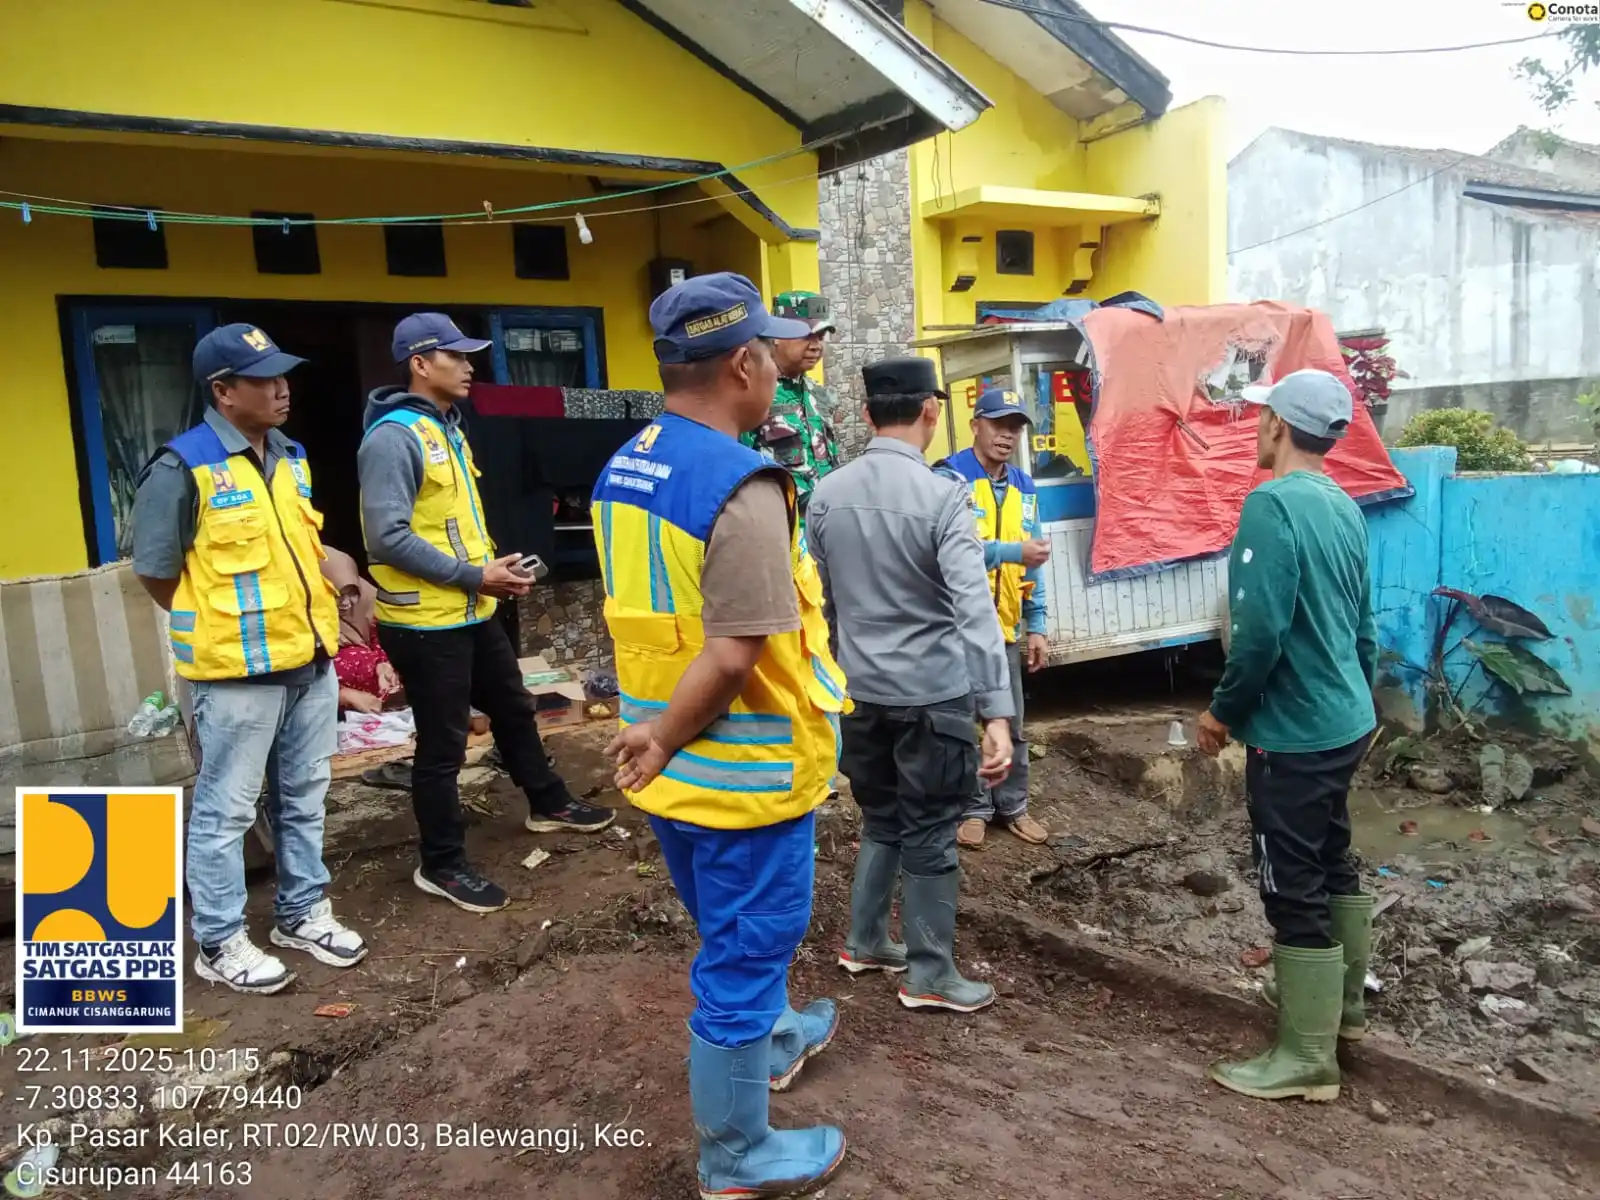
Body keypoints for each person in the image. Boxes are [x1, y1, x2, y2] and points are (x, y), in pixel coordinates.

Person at [596, 273, 849, 1198]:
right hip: (740, 777)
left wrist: (655, 738)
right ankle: (738, 1155)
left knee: (736, 936)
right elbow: (736, 652)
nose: (782, 364)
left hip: (674, 774)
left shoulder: (628, 461)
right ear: (744, 362)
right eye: (772, 350)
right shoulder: (743, 485)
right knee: (743, 955)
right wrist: (665, 733)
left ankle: (778, 1038)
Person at [131, 324, 367, 995]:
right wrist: (217, 630)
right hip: (235, 677)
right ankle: (221, 940)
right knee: (226, 811)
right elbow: (155, 572)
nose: (282, 388)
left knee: (304, 800)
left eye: (283, 375)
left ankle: (301, 914)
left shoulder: (290, 454)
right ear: (223, 391)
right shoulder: (182, 467)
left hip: (309, 662)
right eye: (263, 379)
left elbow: (307, 552)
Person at [358, 313, 613, 916]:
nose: (471, 365)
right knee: (443, 746)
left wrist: (493, 572)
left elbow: (446, 527)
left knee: (514, 707)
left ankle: (547, 801)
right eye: (456, 355)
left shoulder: (446, 427)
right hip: (424, 624)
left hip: (470, 609)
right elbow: (386, 537)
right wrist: (477, 575)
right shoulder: (394, 438)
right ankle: (441, 863)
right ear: (421, 364)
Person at [807, 356, 1014, 1014]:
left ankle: (865, 941)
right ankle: (930, 975)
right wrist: (998, 712)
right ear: (932, 411)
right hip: (933, 699)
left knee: (883, 819)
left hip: (859, 694)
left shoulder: (825, 495)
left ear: (867, 416)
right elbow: (974, 611)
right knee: (929, 830)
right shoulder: (943, 497)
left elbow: (826, 602)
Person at [1196, 368, 1379, 1104]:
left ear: (1275, 423)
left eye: (1259, 414)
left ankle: (1307, 1059)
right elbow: (1363, 629)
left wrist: (1222, 713)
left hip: (1295, 735)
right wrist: (1356, 704)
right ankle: (1345, 1015)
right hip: (1346, 721)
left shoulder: (1271, 505)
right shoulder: (1343, 505)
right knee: (1333, 861)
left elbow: (1259, 635)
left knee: (1290, 883)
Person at [933, 386, 1053, 848]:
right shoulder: (948, 477)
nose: (1007, 435)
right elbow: (945, 550)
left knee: (1012, 722)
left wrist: (1037, 623)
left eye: (1016, 427)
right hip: (955, 626)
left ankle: (1013, 806)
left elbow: (1034, 558)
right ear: (976, 424)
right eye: (999, 424)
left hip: (1003, 626)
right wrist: (1009, 551)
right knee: (963, 723)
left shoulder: (1023, 484)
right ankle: (973, 807)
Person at [739, 290, 842, 529]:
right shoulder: (753, 393)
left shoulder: (820, 394)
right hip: (780, 529)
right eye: (807, 335)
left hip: (826, 529)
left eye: (821, 336)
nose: (816, 345)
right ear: (776, 335)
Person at [319, 545, 399, 714]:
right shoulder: (303, 611)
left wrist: (382, 664)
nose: (346, 602)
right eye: (337, 595)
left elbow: (383, 634)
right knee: (353, 661)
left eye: (351, 593)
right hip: (330, 691)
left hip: (377, 675)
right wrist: (345, 695)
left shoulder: (367, 596)